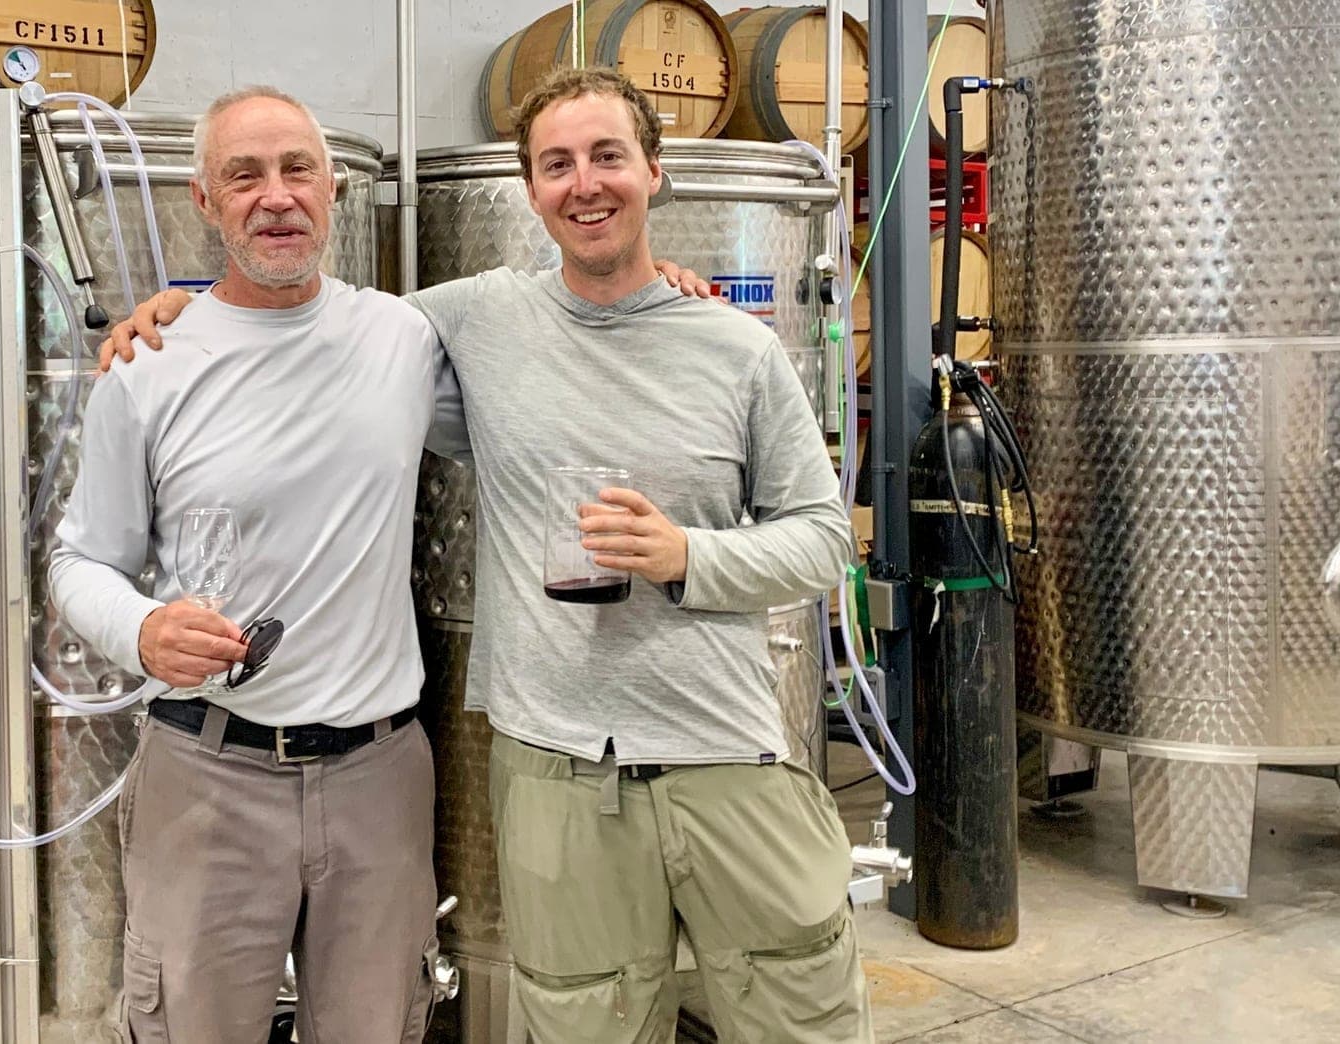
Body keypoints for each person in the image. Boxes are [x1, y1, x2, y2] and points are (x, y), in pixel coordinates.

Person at [116, 68, 870, 1042]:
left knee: (798, 1015)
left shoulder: (736, 348)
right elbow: (304, 328)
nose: (584, 183)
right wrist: (177, 316)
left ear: (652, 170)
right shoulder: (472, 318)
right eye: (555, 165)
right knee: (579, 1023)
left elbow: (817, 537)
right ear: (530, 191)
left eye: (607, 156)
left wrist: (687, 555)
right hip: (556, 769)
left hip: (728, 752)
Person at [48, 85, 464, 1043]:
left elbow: (550, 342)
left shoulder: (401, 338)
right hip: (209, 771)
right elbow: (78, 563)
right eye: (244, 175)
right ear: (204, 201)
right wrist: (142, 629)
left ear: (333, 191)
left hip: (379, 775)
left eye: (297, 170)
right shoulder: (147, 364)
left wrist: (660, 289)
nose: (275, 196)